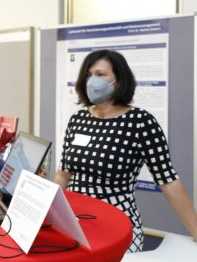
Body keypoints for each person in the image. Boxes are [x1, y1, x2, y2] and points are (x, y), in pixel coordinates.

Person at [54, 50, 197, 252]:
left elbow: (168, 180)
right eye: (88, 74)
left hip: (116, 222)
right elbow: (63, 173)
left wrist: (196, 230)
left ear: (119, 80)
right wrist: (44, 209)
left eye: (100, 74)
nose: (92, 81)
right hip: (74, 221)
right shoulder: (78, 119)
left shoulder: (140, 122)